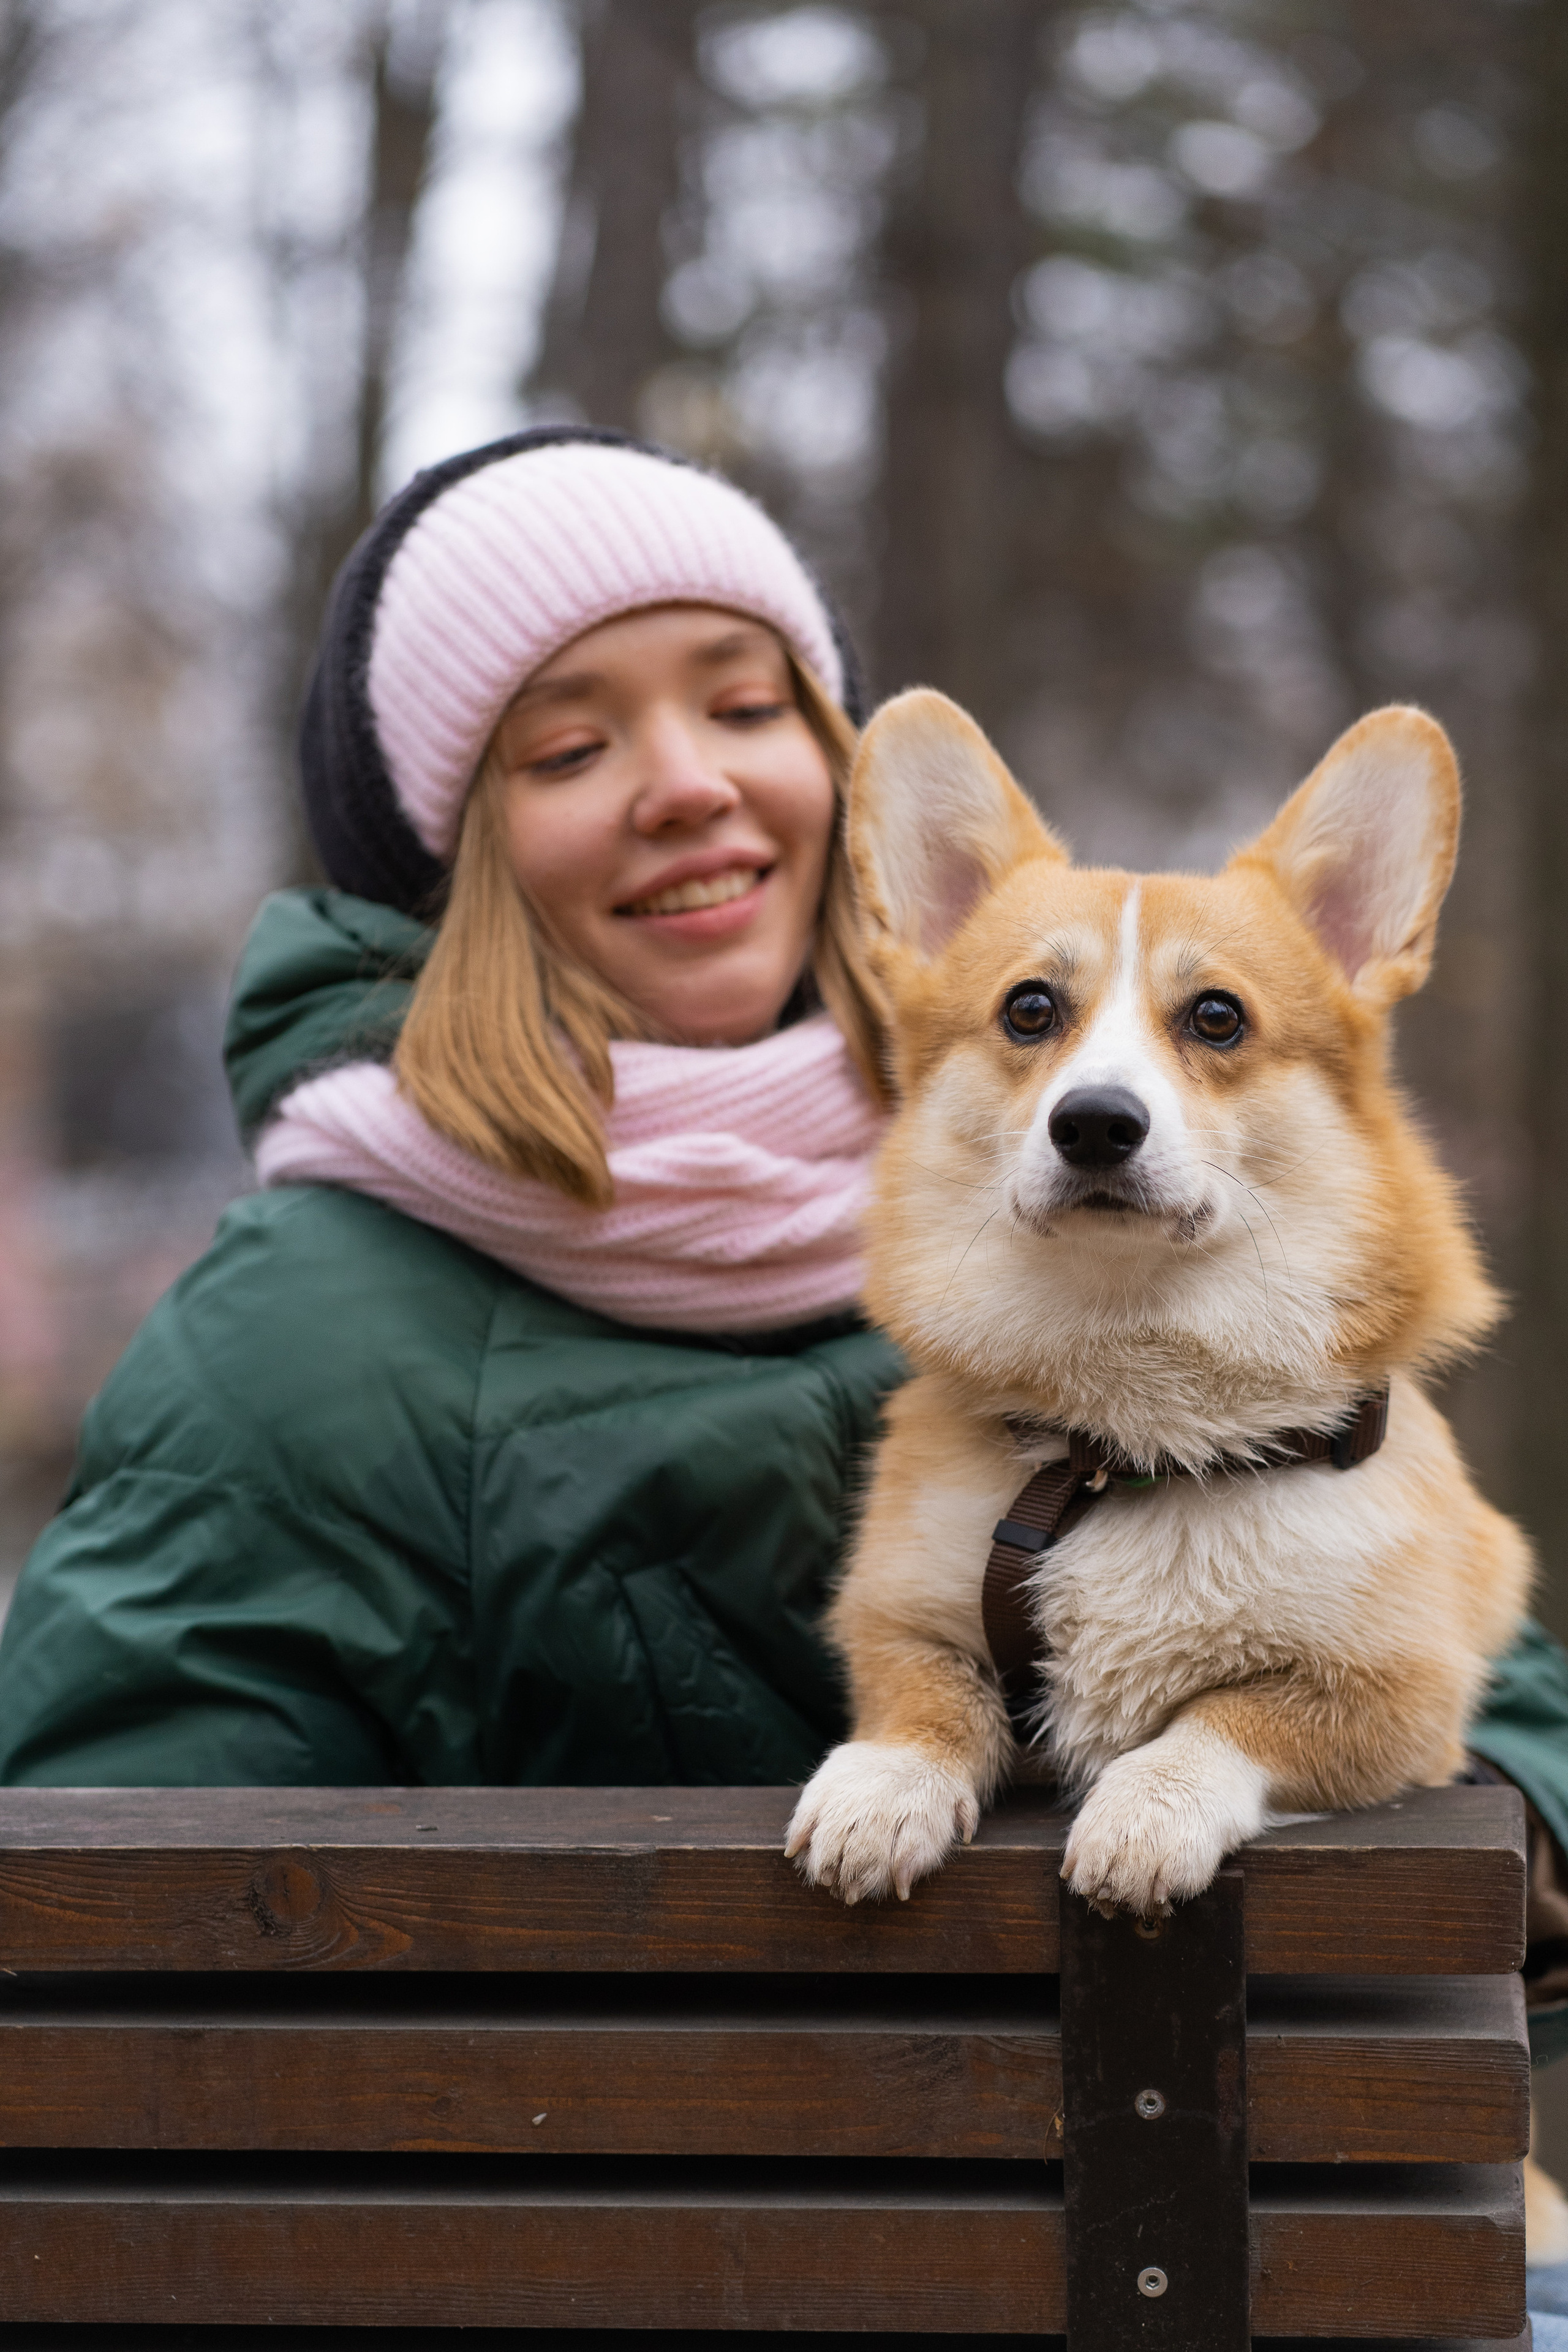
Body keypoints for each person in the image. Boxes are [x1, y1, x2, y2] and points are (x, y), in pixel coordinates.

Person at [2, 426, 1568, 2087]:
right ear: (443, 857)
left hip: (1267, 2218)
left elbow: (1480, 1686)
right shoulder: (296, 1346)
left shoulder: (1188, 1268)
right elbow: (96, 1935)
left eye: (746, 705)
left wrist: (1500, 1844)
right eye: (567, 745)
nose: (686, 779)